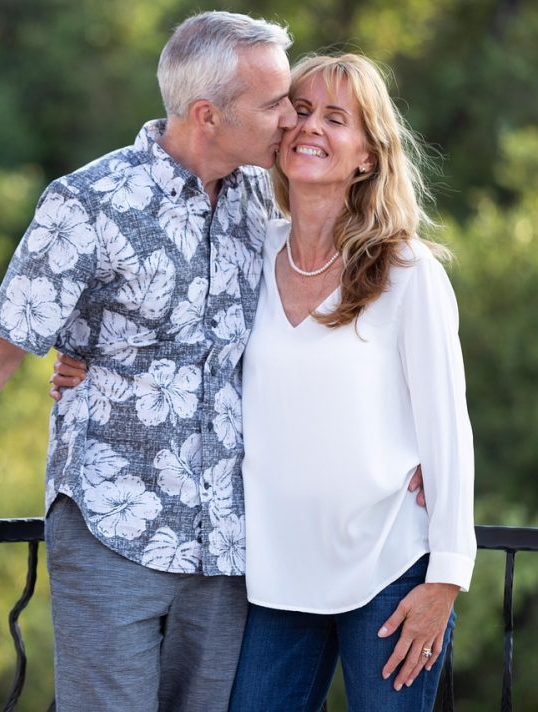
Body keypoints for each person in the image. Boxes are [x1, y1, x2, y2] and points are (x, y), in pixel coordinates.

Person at [0, 10, 298, 710]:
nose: (291, 117)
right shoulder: (88, 205)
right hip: (114, 535)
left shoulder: (266, 201)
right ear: (208, 114)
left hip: (229, 547)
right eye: (273, 104)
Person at [54, 54, 474, 712]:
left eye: (336, 119)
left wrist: (446, 577)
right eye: (299, 110)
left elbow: (449, 432)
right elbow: (172, 339)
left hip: (392, 566)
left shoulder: (407, 272)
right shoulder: (250, 249)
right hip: (275, 578)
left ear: (366, 156)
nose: (309, 127)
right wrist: (87, 358)